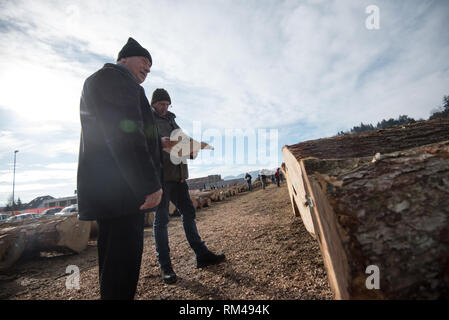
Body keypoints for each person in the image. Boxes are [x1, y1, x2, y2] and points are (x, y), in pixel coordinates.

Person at [77, 37, 167, 300]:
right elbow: (124, 134)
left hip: (113, 189)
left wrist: (157, 142)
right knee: (122, 268)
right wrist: (148, 184)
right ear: (124, 58)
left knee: (114, 265)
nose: (148, 69)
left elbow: (119, 131)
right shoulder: (115, 79)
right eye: (144, 62)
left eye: (151, 66)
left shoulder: (108, 81)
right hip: (123, 191)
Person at [150, 88, 226, 284]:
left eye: (167, 104)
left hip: (179, 178)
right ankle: (166, 267)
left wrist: (193, 149)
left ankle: (201, 254)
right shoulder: (147, 120)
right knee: (161, 220)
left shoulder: (172, 121)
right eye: (161, 104)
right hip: (161, 178)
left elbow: (183, 144)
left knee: (189, 212)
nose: (164, 108)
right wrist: (159, 142)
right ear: (153, 104)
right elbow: (144, 143)